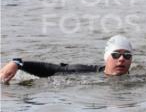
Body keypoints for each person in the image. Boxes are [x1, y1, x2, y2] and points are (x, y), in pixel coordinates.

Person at [1, 35, 135, 83]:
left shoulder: (144, 78)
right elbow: (51, 69)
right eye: (116, 54)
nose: (122, 59)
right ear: (106, 57)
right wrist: (18, 63)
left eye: (127, 55)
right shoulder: (85, 72)